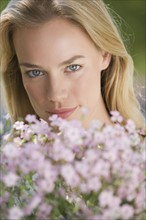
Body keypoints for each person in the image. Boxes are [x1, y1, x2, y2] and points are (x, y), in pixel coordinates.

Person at [0, 0, 144, 128]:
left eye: (72, 67)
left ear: (105, 55)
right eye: (35, 72)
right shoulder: (12, 157)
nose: (56, 95)